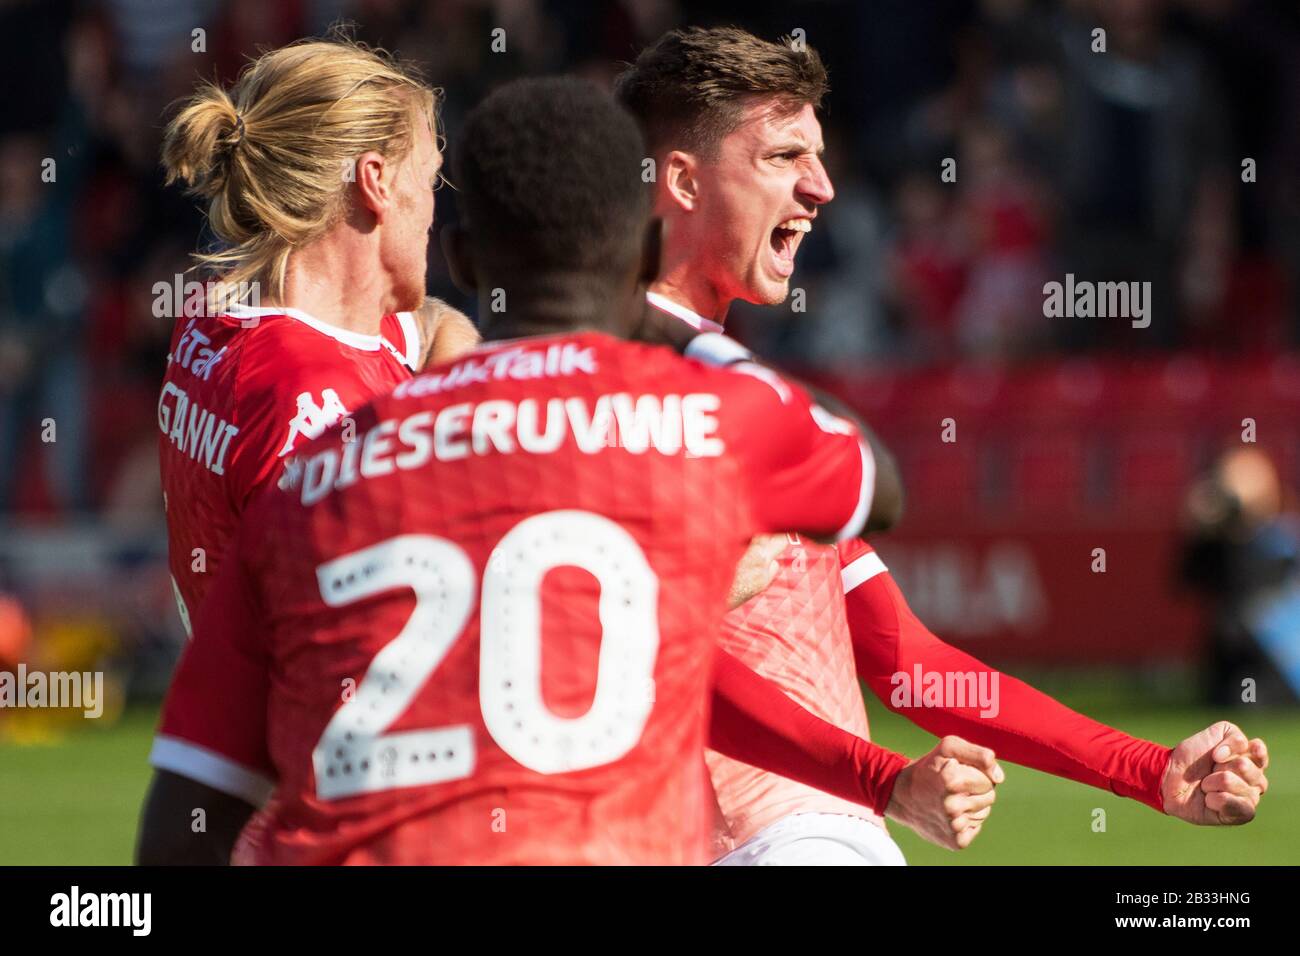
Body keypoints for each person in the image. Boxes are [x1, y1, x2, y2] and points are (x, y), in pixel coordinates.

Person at [136, 77, 1002, 865]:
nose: (430, 214)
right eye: (427, 179)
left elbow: (185, 803)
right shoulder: (692, 422)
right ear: (638, 253)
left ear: (476, 266)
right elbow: (873, 480)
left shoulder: (261, 380)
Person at [616, 26, 1268, 865]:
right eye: (782, 157)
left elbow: (906, 664)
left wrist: (1148, 769)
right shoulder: (630, 391)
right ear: (681, 180)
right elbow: (663, 665)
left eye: (818, 156)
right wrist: (883, 780)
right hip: (777, 840)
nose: (821, 188)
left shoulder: (740, 392)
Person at [157, 36, 479, 636]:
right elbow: (370, 639)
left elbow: (436, 323)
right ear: (376, 181)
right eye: (430, 180)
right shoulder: (313, 406)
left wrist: (438, 408)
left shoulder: (210, 316)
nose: (434, 213)